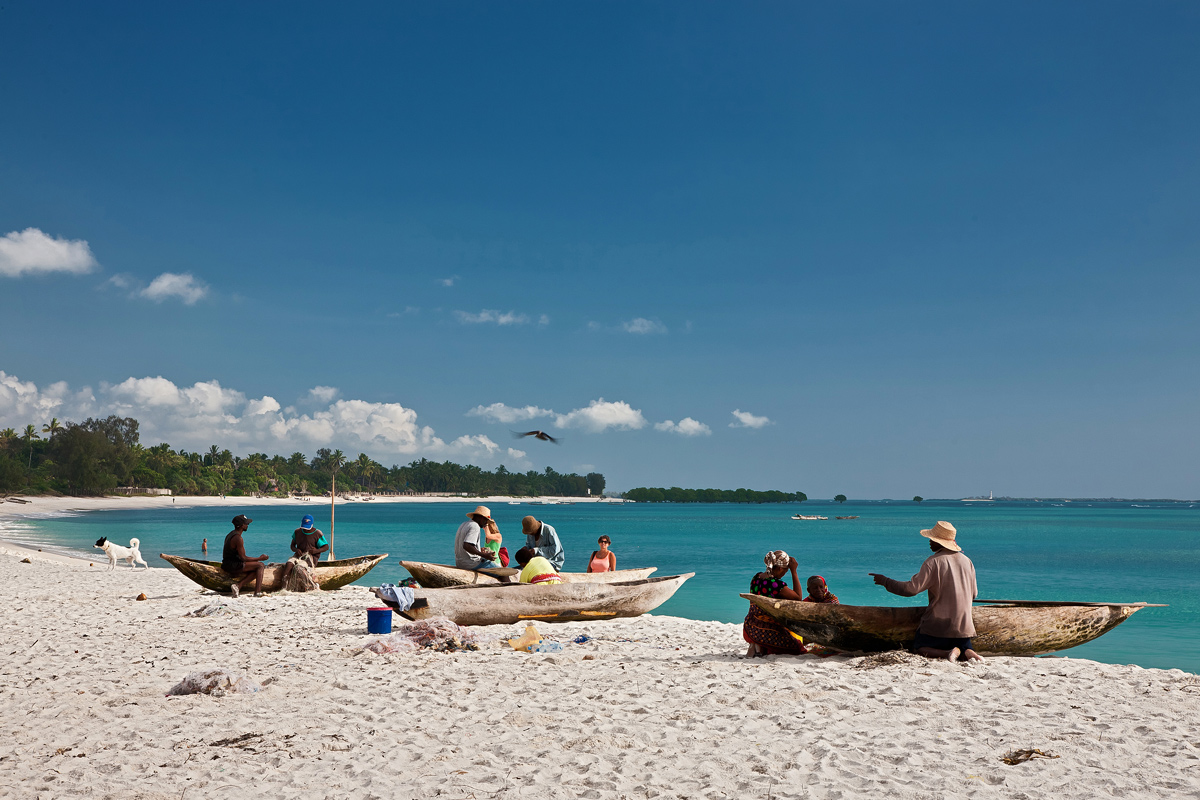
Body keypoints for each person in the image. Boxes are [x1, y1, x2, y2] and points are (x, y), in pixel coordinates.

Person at [869, 521, 983, 663]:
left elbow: (911, 589)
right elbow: (974, 594)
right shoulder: (967, 561)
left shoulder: (933, 562)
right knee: (962, 645)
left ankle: (947, 653)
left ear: (940, 542)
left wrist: (885, 581)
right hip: (964, 626)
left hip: (939, 626)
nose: (929, 542)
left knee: (919, 647)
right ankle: (968, 651)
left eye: (932, 539)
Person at [742, 550, 809, 657]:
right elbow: (798, 598)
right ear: (780, 568)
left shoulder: (756, 577)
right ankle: (761, 644)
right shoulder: (776, 585)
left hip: (750, 627)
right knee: (797, 648)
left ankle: (757, 645)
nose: (784, 573)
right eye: (785, 571)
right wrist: (794, 571)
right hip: (766, 631)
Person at [222, 514, 268, 598]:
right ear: (242, 525)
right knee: (260, 565)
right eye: (246, 523)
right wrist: (260, 558)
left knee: (255, 569)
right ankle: (257, 593)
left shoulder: (230, 534)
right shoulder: (238, 538)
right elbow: (244, 558)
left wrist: (255, 560)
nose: (248, 525)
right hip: (232, 565)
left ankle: (238, 586)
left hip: (227, 563)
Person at [280, 513, 329, 588]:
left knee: (299, 568)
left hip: (310, 558)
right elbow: (292, 546)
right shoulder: (297, 532)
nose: (305, 529)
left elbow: (326, 547)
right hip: (298, 556)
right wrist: (296, 550)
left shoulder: (317, 533)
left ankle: (310, 585)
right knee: (289, 564)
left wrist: (315, 551)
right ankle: (284, 587)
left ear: (312, 525)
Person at [455, 506, 503, 571]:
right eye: (486, 521)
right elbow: (467, 545)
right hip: (472, 563)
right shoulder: (475, 526)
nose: (486, 524)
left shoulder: (464, 524)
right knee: (503, 574)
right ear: (481, 518)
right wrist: (484, 555)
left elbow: (465, 545)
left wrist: (478, 550)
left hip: (459, 563)